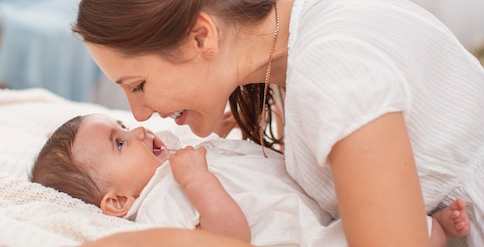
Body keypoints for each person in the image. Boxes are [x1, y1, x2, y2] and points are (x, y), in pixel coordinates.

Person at [71, 0, 484, 247]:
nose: (139, 115)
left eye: (139, 85)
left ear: (202, 37)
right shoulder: (297, 11)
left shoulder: (332, 68)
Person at [31, 113, 469, 247]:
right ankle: (437, 233)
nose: (140, 131)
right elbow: (229, 237)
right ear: (116, 203)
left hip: (318, 209)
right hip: (304, 240)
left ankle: (432, 228)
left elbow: (248, 169)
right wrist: (198, 181)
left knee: (389, 213)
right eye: (121, 144)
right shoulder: (161, 205)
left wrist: (228, 135)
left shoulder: (173, 159)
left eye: (124, 126)